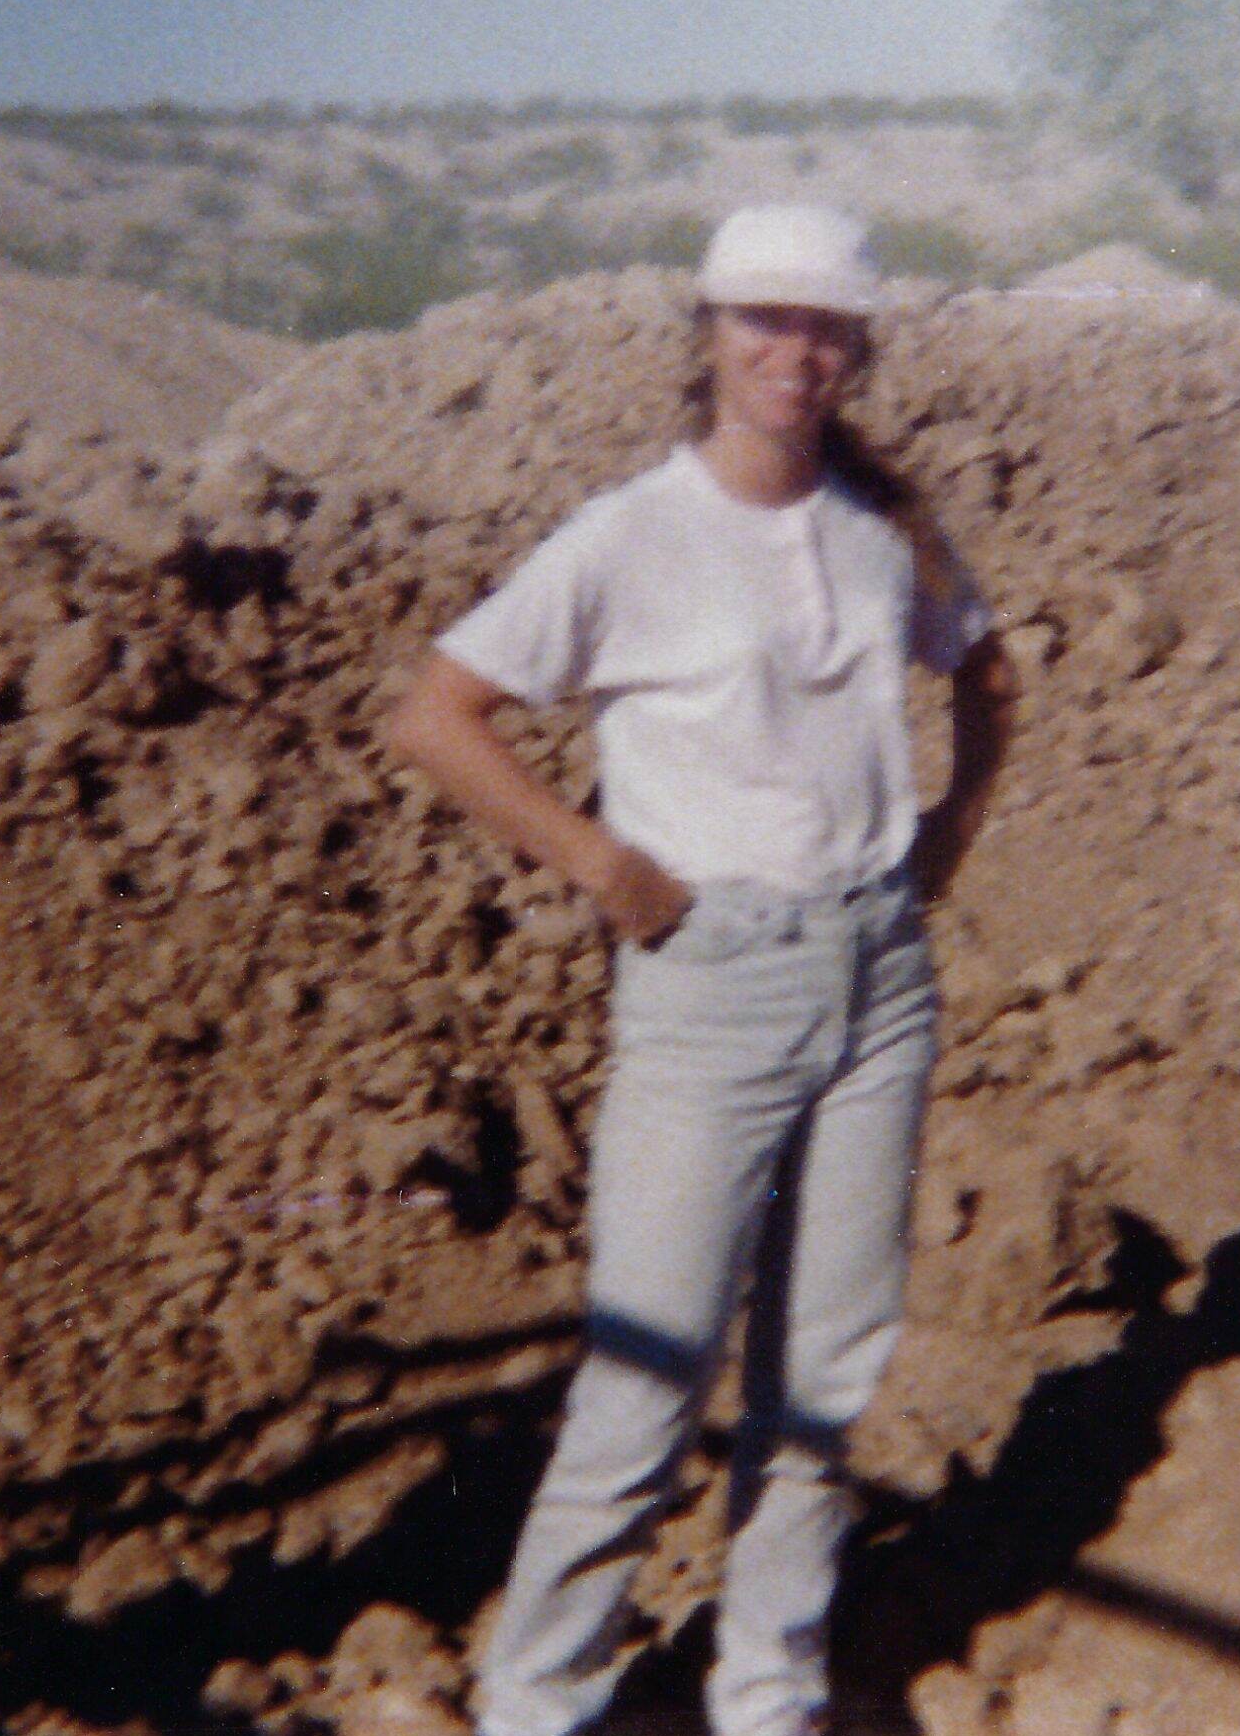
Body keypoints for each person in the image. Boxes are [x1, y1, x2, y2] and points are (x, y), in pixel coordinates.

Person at [382, 204, 1018, 1736]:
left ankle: (768, 1695)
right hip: (714, 982)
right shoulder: (630, 535)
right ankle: (541, 1702)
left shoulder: (886, 526)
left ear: (857, 348)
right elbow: (437, 714)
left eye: (826, 328)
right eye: (764, 321)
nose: (795, 353)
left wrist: (946, 835)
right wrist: (599, 860)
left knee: (823, 1376)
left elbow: (989, 673)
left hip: (879, 974)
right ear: (710, 334)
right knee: (649, 1372)